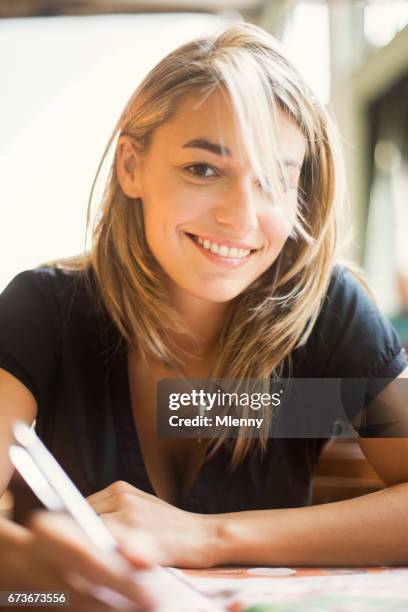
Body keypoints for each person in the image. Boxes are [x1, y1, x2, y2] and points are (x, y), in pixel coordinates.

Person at [1, 20, 408, 608]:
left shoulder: (327, 315)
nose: (241, 218)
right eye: (203, 169)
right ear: (131, 166)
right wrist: (28, 580)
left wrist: (208, 537)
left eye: (273, 180)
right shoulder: (44, 310)